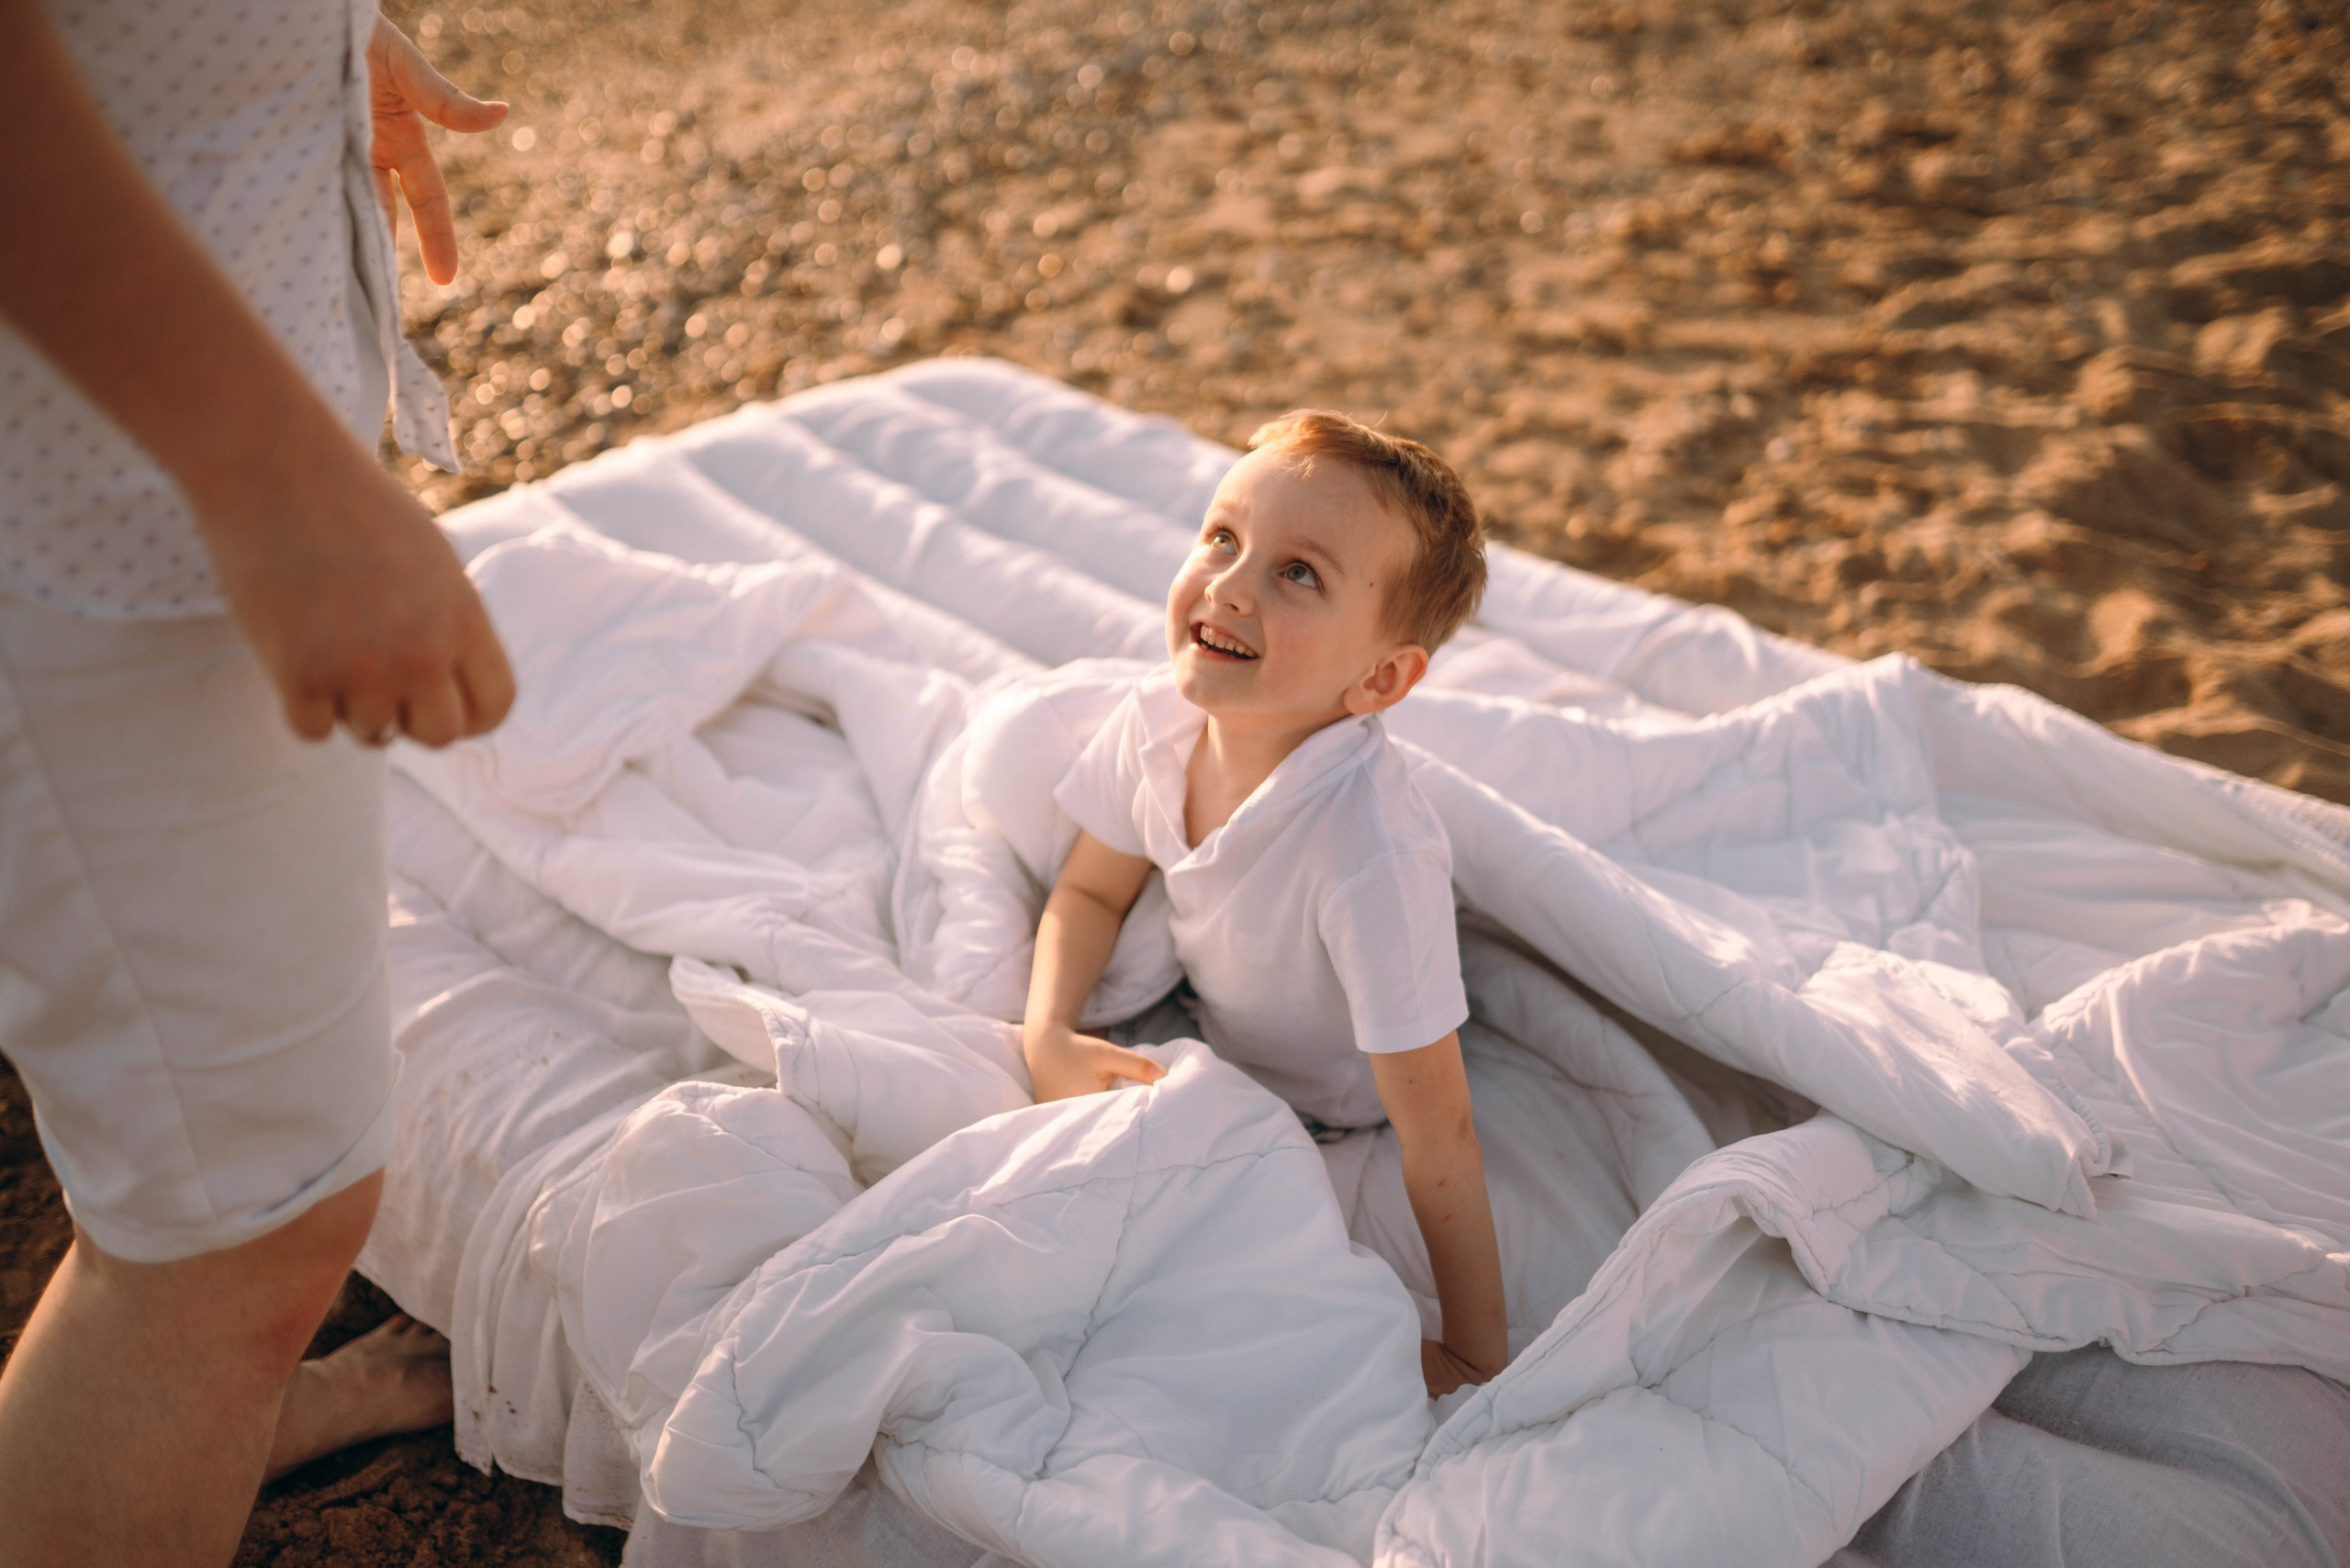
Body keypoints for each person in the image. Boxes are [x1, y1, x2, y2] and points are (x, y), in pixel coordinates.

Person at [0, 3, 518, 1563]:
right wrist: (273, 476)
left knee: (206, 1177)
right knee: (239, 1223)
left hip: (146, 460)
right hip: (91, 519)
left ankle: (216, 1396)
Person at [1022, 410, 1507, 1400]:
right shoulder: (1159, 724)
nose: (1231, 586)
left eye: (1298, 574)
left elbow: (1439, 1132)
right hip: (1216, 1019)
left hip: (1333, 1099)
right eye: (1222, 536)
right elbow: (1091, 887)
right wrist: (1048, 1031)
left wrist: (1474, 1349)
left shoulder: (1367, 855)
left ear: (1380, 678)